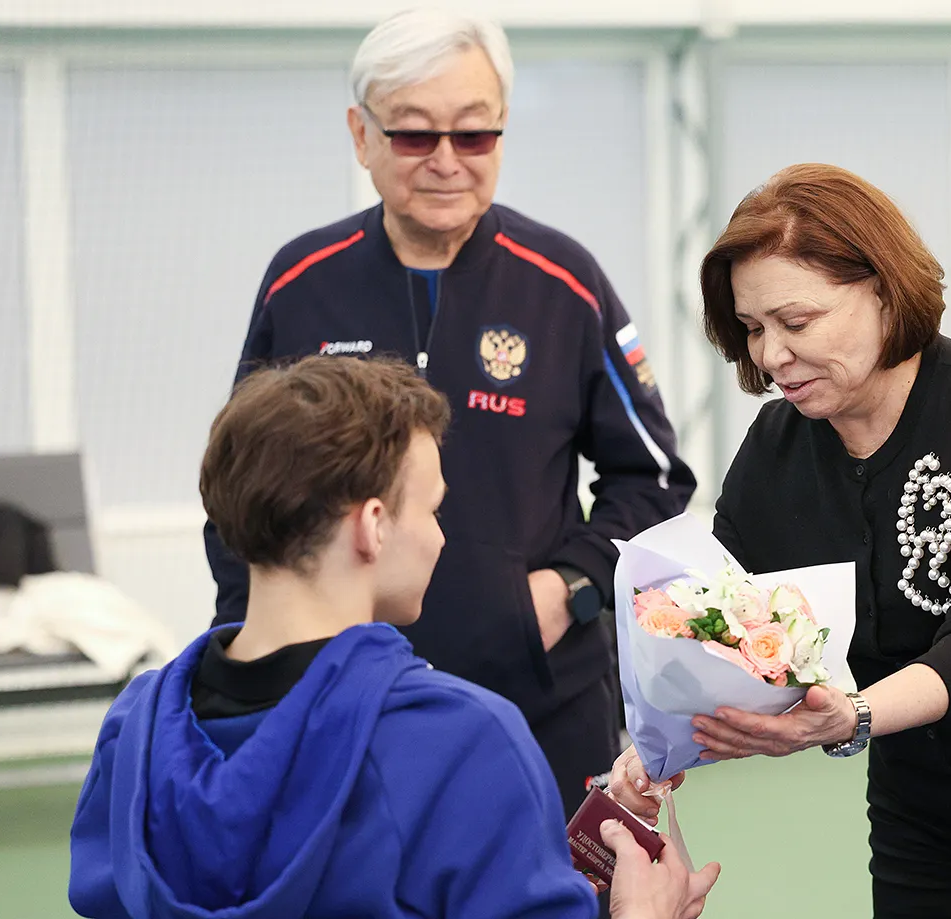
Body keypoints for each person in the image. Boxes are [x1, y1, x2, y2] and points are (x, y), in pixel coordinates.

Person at [611, 163, 951, 918]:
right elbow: (729, 625)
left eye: (796, 322)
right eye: (752, 329)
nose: (771, 355)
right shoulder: (775, 451)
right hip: (922, 799)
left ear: (881, 287)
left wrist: (856, 714)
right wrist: (652, 750)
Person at [203, 8, 694, 819]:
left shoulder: (563, 282)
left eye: (474, 136)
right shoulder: (301, 282)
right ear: (361, 136)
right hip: (336, 702)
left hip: (541, 706)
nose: (445, 163)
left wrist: (564, 590)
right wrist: (255, 652)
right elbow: (238, 492)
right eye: (413, 135)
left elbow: (655, 478)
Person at [69, 356, 718, 919]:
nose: (439, 535)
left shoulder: (137, 728)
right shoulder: (463, 738)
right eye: (432, 508)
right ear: (372, 525)